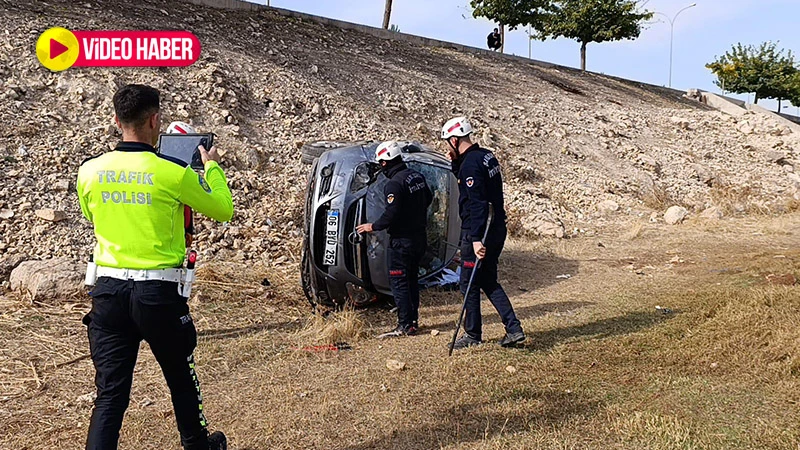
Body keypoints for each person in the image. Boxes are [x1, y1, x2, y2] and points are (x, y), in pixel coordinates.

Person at [77, 84, 233, 450]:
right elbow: (223, 209)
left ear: (117, 121)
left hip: (108, 292)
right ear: (155, 120)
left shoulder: (90, 171)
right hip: (158, 294)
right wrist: (211, 169)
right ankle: (198, 444)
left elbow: (92, 215)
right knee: (180, 378)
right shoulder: (173, 173)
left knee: (110, 394)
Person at [441, 117, 524, 350]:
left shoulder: (470, 165)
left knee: (468, 283)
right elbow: (476, 185)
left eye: (448, 142)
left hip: (479, 232)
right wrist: (456, 163)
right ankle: (513, 328)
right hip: (496, 228)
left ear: (455, 140)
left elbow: (477, 203)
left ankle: (472, 334)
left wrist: (476, 240)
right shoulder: (486, 156)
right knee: (487, 279)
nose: (448, 147)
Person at [356, 141, 433, 338]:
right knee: (411, 280)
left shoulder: (394, 184)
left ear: (384, 162)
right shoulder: (416, 176)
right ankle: (412, 320)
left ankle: (405, 324)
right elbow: (429, 198)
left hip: (402, 242)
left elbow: (391, 214)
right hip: (419, 238)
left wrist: (372, 226)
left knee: (399, 281)